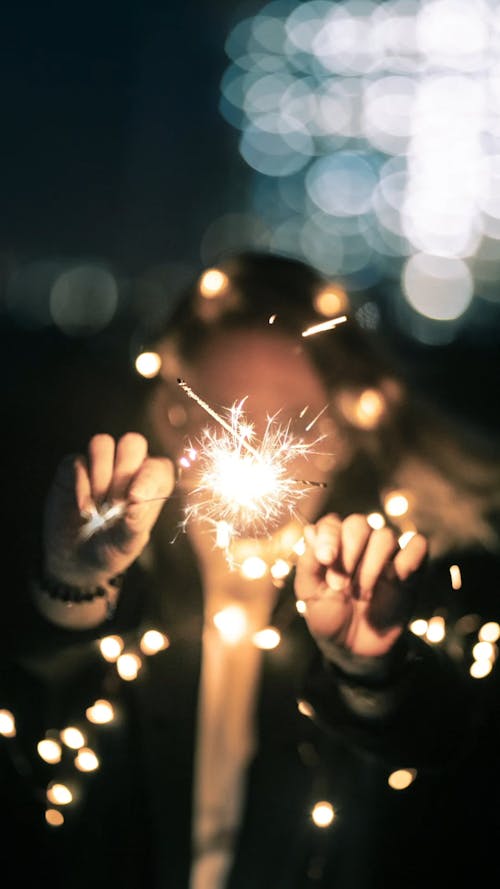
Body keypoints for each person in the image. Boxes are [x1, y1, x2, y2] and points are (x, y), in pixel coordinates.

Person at [2, 251, 500, 888]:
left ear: (347, 435)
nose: (254, 446)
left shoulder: (397, 578)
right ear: (171, 420)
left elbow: (446, 742)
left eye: (292, 423)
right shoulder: (122, 572)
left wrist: (371, 670)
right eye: (225, 416)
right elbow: (30, 740)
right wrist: (72, 582)